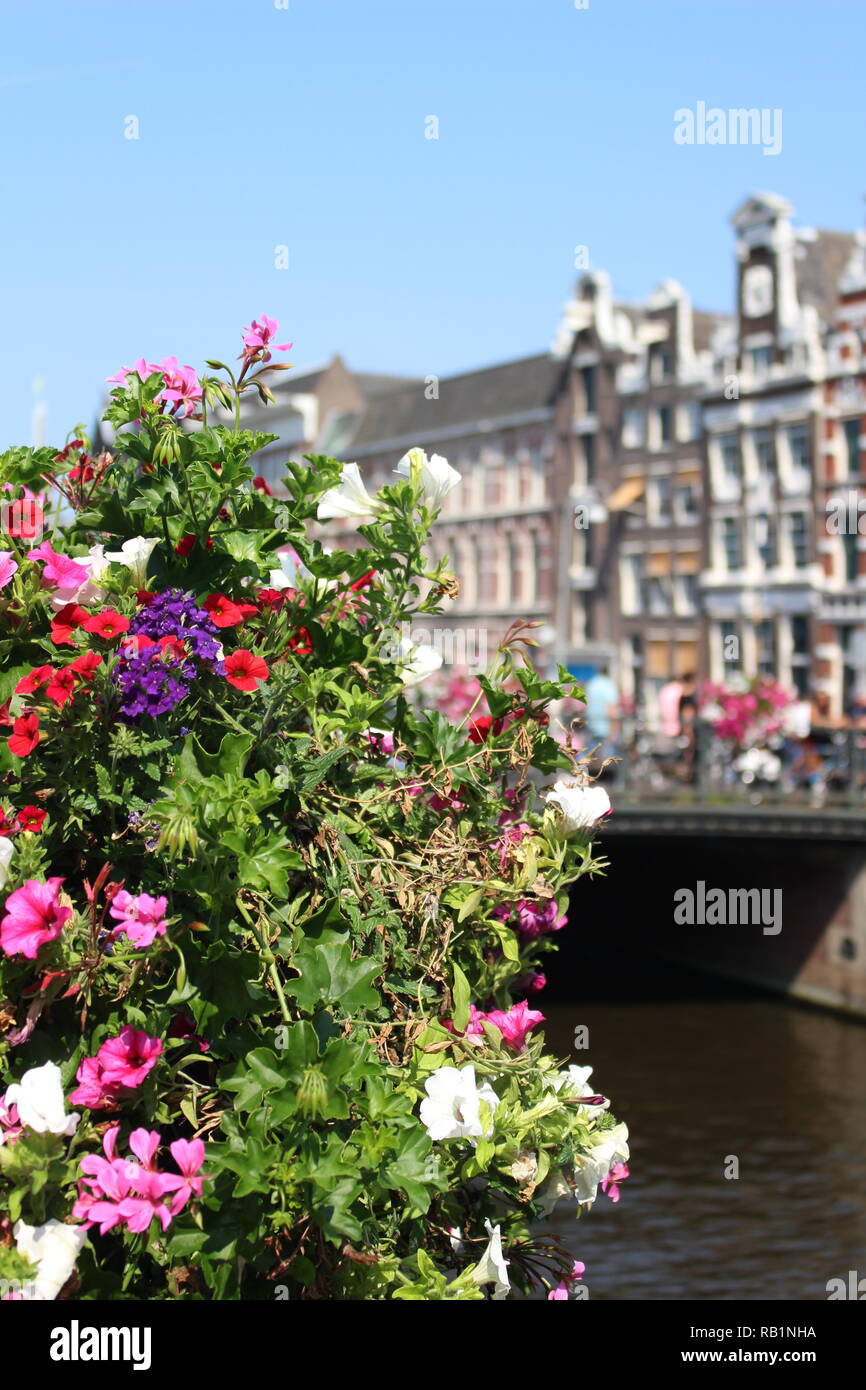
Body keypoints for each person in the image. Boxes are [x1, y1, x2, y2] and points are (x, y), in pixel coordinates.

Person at [583, 662, 620, 768]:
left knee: (589, 759)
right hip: (605, 726)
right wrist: (615, 728)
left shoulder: (591, 684)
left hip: (591, 724)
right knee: (608, 762)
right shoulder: (609, 685)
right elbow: (611, 708)